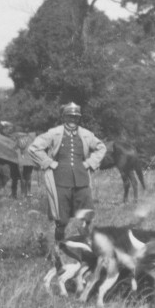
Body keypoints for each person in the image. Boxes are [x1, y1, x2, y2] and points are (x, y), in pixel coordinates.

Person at [28, 102, 106, 247]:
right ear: (64, 117)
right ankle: (59, 248)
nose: (73, 120)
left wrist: (89, 163)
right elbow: (34, 148)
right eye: (70, 117)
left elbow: (101, 147)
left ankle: (84, 245)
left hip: (81, 179)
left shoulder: (86, 134)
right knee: (61, 217)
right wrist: (49, 163)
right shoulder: (54, 133)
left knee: (87, 211)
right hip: (60, 180)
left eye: (76, 117)